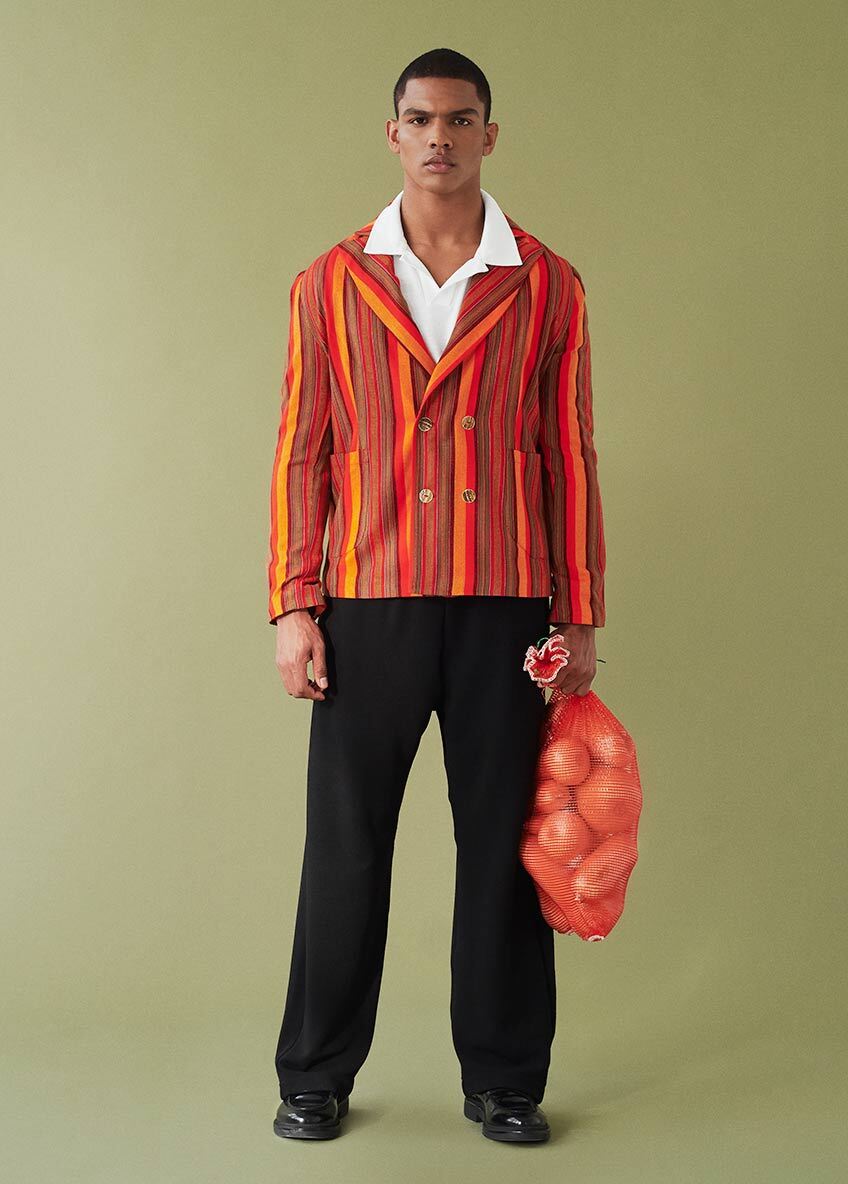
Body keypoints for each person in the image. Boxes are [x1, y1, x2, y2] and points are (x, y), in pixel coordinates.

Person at [266, 47, 606, 1144]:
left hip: (506, 605)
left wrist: (578, 610)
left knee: (499, 846)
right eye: (419, 119)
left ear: (488, 135)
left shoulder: (546, 283)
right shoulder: (329, 281)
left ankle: (504, 1079)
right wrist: (294, 602)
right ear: (393, 134)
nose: (439, 137)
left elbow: (569, 455)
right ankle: (313, 1075)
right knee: (346, 845)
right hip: (367, 598)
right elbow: (301, 453)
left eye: (459, 120)